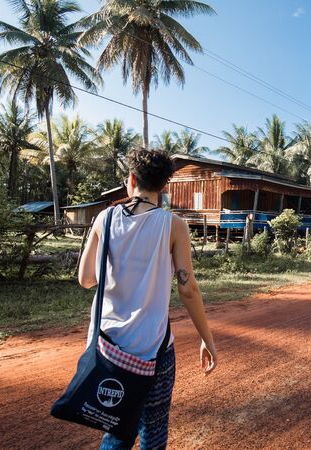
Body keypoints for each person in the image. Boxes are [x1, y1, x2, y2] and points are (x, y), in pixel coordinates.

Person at [77, 148, 218, 450]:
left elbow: (86, 279)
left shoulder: (105, 218)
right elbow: (187, 288)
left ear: (130, 180)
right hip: (153, 350)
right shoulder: (174, 225)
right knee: (153, 431)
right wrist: (207, 339)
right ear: (164, 187)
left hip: (109, 347)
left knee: (117, 430)